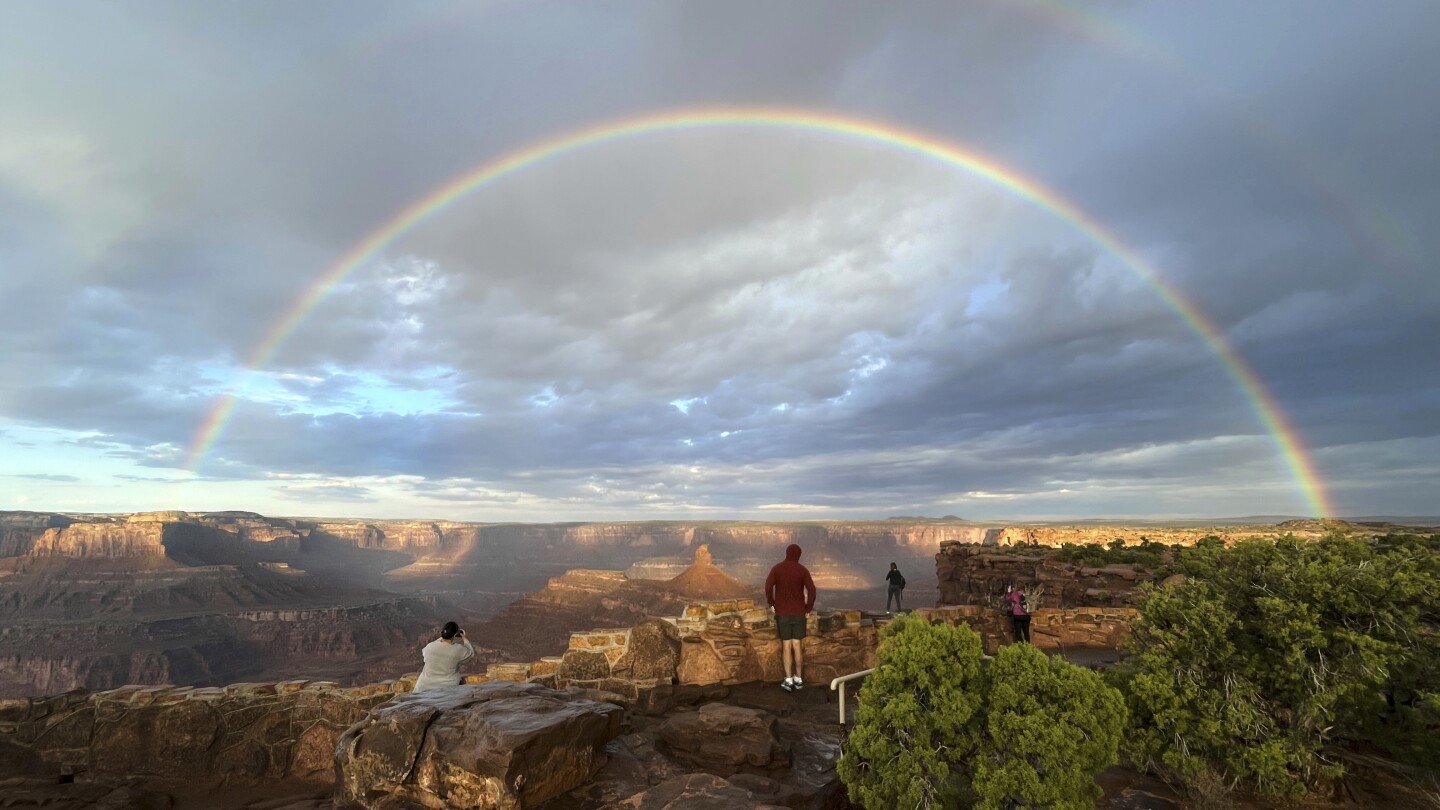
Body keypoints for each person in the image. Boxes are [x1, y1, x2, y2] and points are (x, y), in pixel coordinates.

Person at [765, 543, 816, 692]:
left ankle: (788, 680)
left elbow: (768, 587)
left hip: (783, 613)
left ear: (786, 553)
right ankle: (798, 678)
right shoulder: (802, 570)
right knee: (797, 645)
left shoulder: (777, 568)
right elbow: (812, 590)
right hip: (799, 613)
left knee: (786, 646)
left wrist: (771, 603)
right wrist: (808, 608)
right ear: (799, 555)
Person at [412, 621, 475, 692]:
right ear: (454, 635)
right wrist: (464, 638)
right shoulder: (458, 649)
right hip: (446, 689)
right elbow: (471, 653)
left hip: (423, 687)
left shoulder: (429, 647)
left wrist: (443, 637)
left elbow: (426, 651)